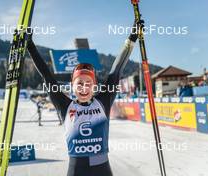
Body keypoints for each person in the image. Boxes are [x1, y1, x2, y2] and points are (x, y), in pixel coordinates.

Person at [27, 20, 143, 176]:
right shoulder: (64, 105)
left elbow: (116, 70)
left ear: (94, 85)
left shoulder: (104, 101)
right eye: (79, 83)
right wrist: (30, 46)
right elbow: (47, 75)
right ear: (72, 85)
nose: (84, 87)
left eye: (88, 83)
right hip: (76, 171)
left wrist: (132, 38)